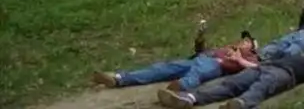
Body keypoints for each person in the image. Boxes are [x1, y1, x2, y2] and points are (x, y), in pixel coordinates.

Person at [156, 50, 304, 108]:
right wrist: (242, 62)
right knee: (230, 84)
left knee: (262, 87)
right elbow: (255, 64)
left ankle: (242, 103)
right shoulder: (295, 56)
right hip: (263, 67)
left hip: (283, 74)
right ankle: (190, 98)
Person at [92, 30, 259, 92]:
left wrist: (239, 59)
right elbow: (200, 52)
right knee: (163, 68)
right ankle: (120, 78)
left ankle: (180, 88)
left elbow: (255, 67)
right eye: (243, 39)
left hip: (215, 65)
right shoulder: (227, 47)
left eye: (247, 41)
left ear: (252, 48)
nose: (243, 41)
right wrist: (200, 41)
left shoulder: (250, 56)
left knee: (198, 72)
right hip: (200, 59)